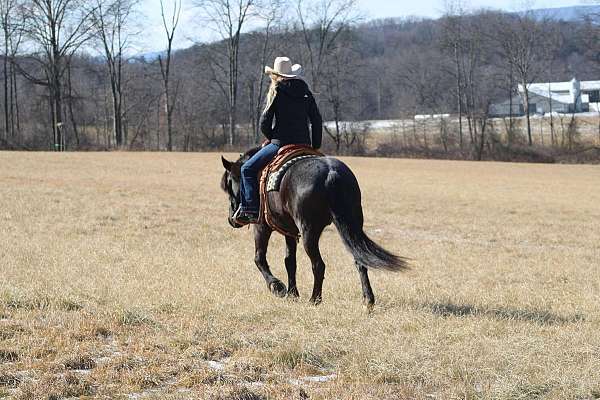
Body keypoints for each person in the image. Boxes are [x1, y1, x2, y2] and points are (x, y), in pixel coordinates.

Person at [233, 56, 323, 225]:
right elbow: (316, 120)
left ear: (276, 75)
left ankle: (250, 210)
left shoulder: (276, 91)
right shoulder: (306, 92)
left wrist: (272, 137)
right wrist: (315, 145)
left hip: (280, 144)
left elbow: (264, 122)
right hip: (304, 144)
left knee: (247, 169)